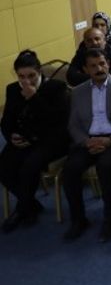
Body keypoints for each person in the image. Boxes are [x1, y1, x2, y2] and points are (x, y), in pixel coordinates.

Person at [63, 49, 111, 242]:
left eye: (102, 64)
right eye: (93, 66)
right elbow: (73, 124)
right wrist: (86, 141)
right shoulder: (78, 92)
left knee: (105, 167)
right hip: (88, 140)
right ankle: (78, 220)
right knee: (70, 170)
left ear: (108, 64)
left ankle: (110, 219)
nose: (99, 69)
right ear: (86, 69)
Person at [0, 51, 70, 233]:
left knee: (29, 166)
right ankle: (30, 204)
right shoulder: (13, 89)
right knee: (3, 167)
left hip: (50, 141)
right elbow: (6, 121)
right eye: (21, 76)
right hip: (22, 140)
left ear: (39, 72)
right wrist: (12, 136)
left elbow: (57, 121)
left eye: (31, 76)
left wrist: (33, 97)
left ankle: (22, 210)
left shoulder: (56, 88)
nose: (27, 81)